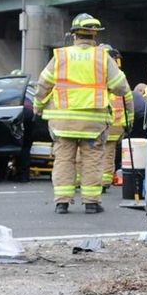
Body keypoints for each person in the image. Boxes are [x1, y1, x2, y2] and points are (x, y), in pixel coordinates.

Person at [33, 13, 128, 214]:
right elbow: (120, 87)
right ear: (95, 36)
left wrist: (37, 106)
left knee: (63, 160)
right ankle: (91, 203)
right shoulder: (102, 57)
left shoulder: (61, 56)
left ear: (74, 35)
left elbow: (43, 84)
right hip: (92, 123)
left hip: (63, 122)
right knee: (92, 160)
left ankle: (62, 203)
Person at [99, 46, 133, 193]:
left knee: (89, 153)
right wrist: (130, 121)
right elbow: (128, 99)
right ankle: (104, 182)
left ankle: (82, 180)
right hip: (116, 123)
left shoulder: (96, 74)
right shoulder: (119, 76)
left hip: (98, 121)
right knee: (108, 153)